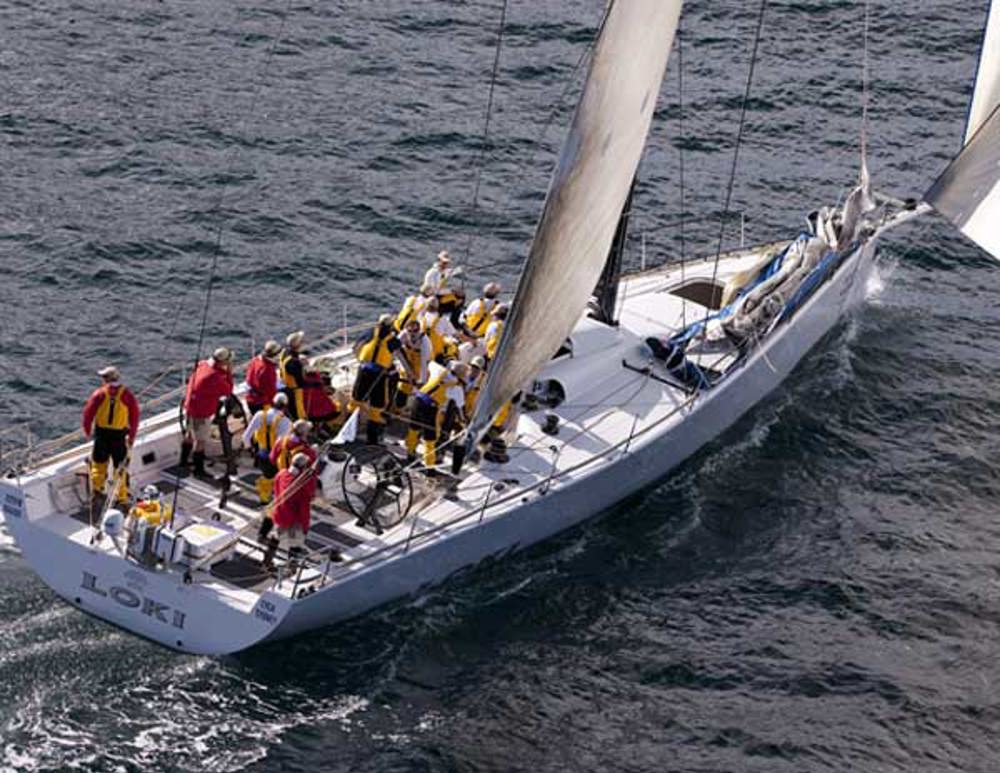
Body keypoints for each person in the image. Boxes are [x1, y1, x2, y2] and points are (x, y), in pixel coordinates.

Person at [82, 366, 140, 507]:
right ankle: (121, 498)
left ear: (107, 379)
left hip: (102, 435)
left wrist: (87, 431)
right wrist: (132, 436)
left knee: (99, 465)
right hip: (119, 437)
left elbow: (87, 414)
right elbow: (134, 417)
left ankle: (97, 492)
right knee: (120, 467)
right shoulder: (127, 395)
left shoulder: (99, 394)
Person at [405, 360, 467, 473]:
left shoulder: (439, 370)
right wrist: (463, 423)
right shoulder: (457, 389)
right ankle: (429, 469)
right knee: (430, 439)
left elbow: (429, 362)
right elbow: (460, 408)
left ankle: (410, 454)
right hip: (430, 408)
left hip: (417, 400)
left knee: (414, 429)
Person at [182, 347, 234, 477]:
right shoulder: (215, 377)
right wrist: (228, 373)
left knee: (189, 434)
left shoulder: (203, 364)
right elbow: (228, 391)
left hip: (189, 405)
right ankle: (198, 470)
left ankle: (183, 461)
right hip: (201, 411)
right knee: (200, 441)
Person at [350, 314, 402, 445]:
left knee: (356, 401)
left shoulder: (369, 333)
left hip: (363, 372)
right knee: (376, 407)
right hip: (379, 376)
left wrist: (360, 361)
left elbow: (356, 348)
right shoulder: (393, 341)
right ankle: (372, 440)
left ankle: (349, 432)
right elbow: (402, 358)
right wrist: (411, 375)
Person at [263, 452, 316, 571]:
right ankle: (292, 569)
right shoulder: (301, 486)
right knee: (295, 545)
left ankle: (267, 562)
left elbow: (276, 491)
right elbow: (306, 502)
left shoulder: (281, 474)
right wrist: (305, 525)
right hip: (295, 520)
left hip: (280, 514)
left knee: (275, 539)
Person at [242, 392, 292, 506]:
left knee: (267, 475)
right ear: (285, 406)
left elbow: (246, 436)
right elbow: (283, 443)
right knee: (278, 477)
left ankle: (265, 495)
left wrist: (251, 450)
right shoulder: (286, 422)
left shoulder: (260, 415)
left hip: (261, 455)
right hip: (277, 458)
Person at [395, 319, 433, 410]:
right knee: (404, 385)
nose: (412, 334)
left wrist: (422, 381)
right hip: (409, 358)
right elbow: (396, 351)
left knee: (422, 384)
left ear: (419, 331)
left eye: (415, 331)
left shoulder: (425, 343)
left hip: (422, 361)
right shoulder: (403, 335)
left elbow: (424, 364)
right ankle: (399, 407)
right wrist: (406, 369)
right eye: (410, 331)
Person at [244, 340, 281, 415]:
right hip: (262, 403)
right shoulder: (268, 369)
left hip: (251, 398)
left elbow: (249, 378)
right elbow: (270, 391)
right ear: (275, 354)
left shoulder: (256, 360)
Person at [279, 331, 307, 420]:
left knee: (291, 410)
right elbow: (301, 380)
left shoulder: (284, 352)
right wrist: (303, 366)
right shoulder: (294, 362)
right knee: (299, 413)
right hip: (295, 390)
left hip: (285, 385)